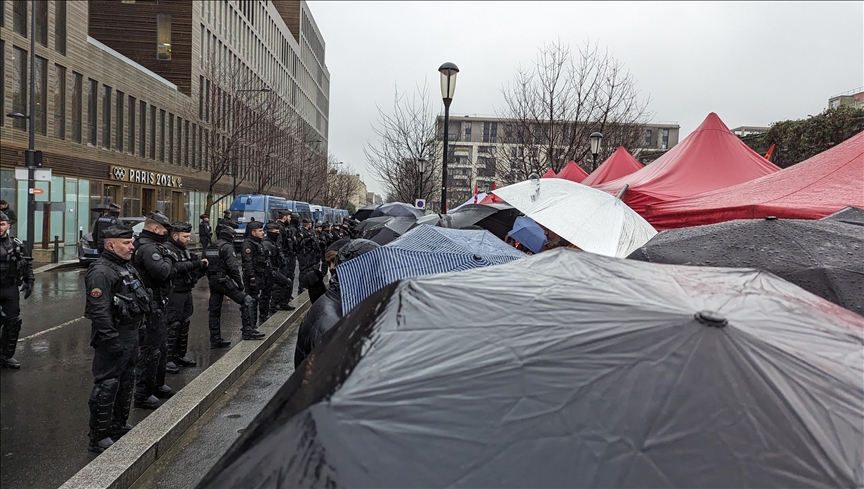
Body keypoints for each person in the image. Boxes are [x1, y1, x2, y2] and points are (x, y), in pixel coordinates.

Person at [84, 225, 152, 452]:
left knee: (126, 379)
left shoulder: (124, 267)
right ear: (110, 244)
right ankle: (98, 436)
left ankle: (118, 424)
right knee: (108, 383)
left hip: (131, 332)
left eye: (131, 242)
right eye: (126, 243)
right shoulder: (101, 271)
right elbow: (99, 311)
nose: (132, 246)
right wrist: (111, 339)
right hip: (114, 335)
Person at [294, 239, 380, 368]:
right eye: (329, 263)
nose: (332, 268)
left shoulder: (347, 296)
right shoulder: (337, 316)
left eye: (334, 261)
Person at [131, 211, 177, 409]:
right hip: (150, 305)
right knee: (150, 350)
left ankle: (157, 385)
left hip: (158, 303)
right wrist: (169, 258)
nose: (167, 233)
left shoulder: (154, 246)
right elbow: (162, 272)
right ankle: (143, 393)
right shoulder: (149, 248)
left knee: (161, 348)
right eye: (165, 229)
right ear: (156, 228)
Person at [164, 222, 208, 372]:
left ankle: (180, 355)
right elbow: (176, 268)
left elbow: (188, 268)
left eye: (189, 236)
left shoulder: (183, 250)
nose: (188, 239)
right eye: (185, 236)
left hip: (185, 290)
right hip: (174, 292)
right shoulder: (168, 249)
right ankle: (167, 358)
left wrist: (201, 268)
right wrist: (196, 264)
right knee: (173, 325)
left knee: (184, 323)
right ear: (175, 235)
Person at [204, 226, 256, 348]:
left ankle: (215, 338)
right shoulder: (227, 247)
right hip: (224, 281)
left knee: (214, 311)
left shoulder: (212, 246)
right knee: (246, 300)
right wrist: (239, 283)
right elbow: (233, 267)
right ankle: (248, 330)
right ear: (230, 236)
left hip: (213, 281)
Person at [0, 212, 34, 369]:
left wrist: (30, 280)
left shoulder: (16, 244)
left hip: (10, 288)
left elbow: (27, 262)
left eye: (2, 224)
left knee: (13, 322)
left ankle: (6, 356)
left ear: (8, 226)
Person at [239, 221, 268, 336]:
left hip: (259, 275)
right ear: (253, 232)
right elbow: (247, 262)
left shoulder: (257, 243)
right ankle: (248, 328)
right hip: (253, 276)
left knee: (255, 300)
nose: (262, 232)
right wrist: (251, 278)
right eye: (260, 231)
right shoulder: (248, 244)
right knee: (250, 301)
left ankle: (253, 326)